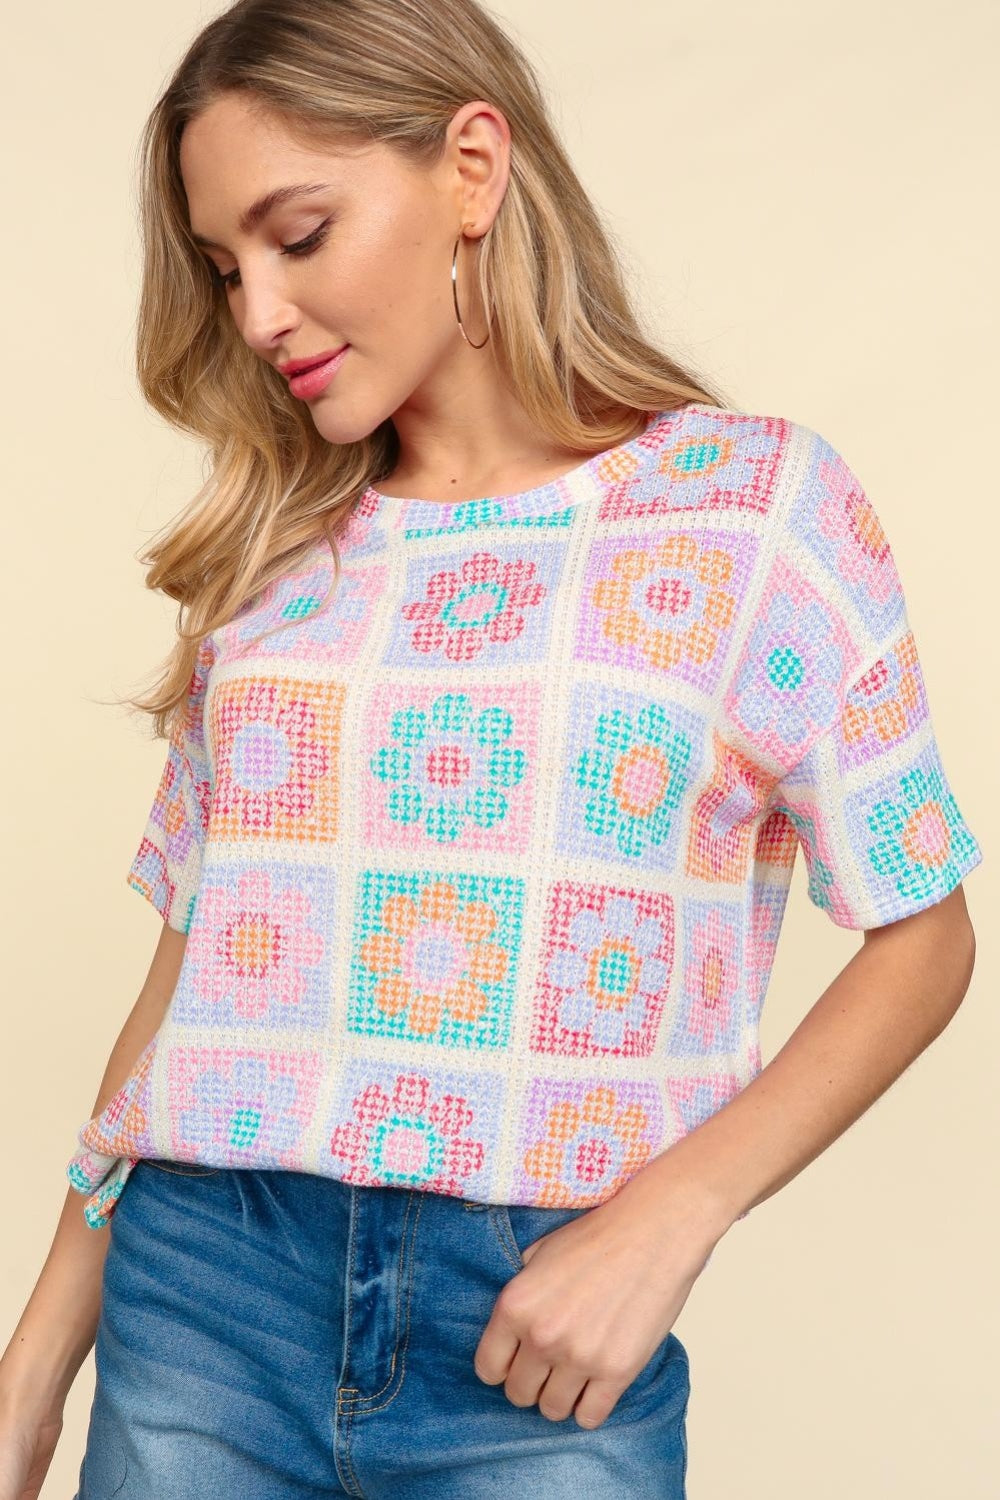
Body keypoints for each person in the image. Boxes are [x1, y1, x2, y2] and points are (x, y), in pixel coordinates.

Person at [0, 1, 983, 1495]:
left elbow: (927, 935)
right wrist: (33, 1365)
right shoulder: (277, 557)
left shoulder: (750, 512)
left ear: (471, 167)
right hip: (203, 1295)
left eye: (298, 235)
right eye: (225, 268)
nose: (258, 314)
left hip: (538, 1334)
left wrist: (677, 1211)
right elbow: (191, 973)